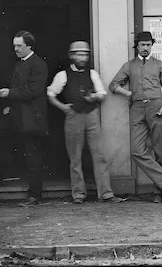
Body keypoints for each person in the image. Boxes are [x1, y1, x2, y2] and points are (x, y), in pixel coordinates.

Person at [47, 41, 126, 204]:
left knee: (99, 155)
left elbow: (102, 93)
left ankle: (105, 193)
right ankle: (78, 194)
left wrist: (95, 97)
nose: (83, 58)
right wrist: (63, 108)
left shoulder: (92, 74)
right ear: (71, 56)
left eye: (85, 54)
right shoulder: (62, 75)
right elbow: (50, 94)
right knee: (75, 157)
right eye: (79, 54)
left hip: (91, 115)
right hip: (73, 116)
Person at [109, 31, 162, 203]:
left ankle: (159, 191)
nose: (145, 48)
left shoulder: (159, 64)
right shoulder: (129, 65)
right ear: (136, 46)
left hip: (157, 107)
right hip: (137, 108)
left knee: (161, 151)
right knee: (136, 150)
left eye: (148, 45)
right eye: (142, 45)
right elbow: (113, 85)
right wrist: (129, 93)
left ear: (151, 46)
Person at [0, 30, 49, 207]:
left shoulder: (38, 64)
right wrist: (9, 104)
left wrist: (9, 93)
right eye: (14, 46)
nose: (16, 49)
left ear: (29, 46)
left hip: (32, 120)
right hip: (18, 117)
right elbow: (17, 87)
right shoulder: (19, 64)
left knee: (33, 157)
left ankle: (34, 196)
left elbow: (32, 90)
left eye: (19, 46)